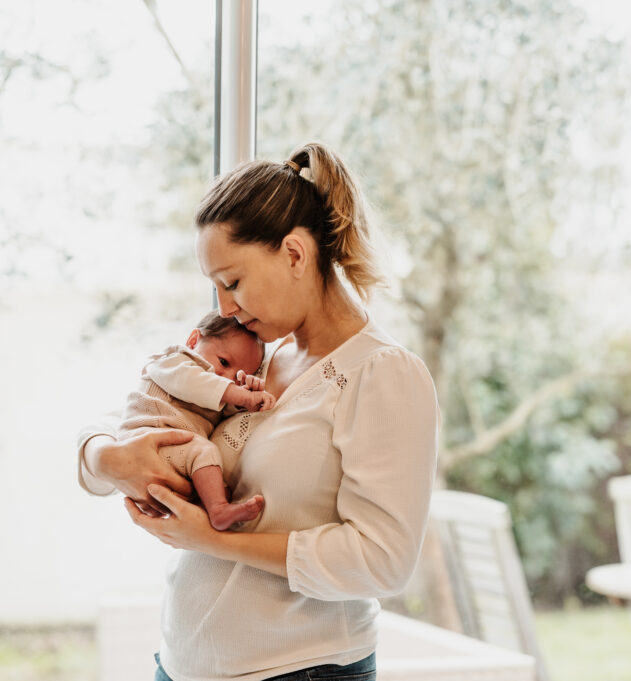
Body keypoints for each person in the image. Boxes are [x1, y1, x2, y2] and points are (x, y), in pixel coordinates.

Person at [76, 141, 439, 681]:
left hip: (298, 669)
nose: (223, 306)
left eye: (233, 282)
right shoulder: (256, 356)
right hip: (181, 662)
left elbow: (382, 561)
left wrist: (213, 538)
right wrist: (104, 457)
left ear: (294, 254)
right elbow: (142, 404)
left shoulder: (381, 374)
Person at [119, 310, 275, 531]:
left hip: (174, 451)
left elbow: (219, 408)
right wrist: (240, 395)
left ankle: (213, 509)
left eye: (237, 375)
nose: (227, 378)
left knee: (220, 485)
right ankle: (218, 510)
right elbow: (195, 384)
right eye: (224, 362)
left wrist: (243, 400)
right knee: (205, 452)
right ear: (193, 341)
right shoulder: (174, 361)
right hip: (144, 440)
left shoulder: (216, 390)